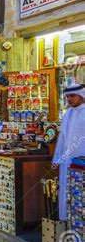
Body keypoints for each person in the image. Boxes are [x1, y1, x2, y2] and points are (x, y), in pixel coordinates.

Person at [52, 84, 85, 221]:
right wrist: (57, 159)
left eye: (72, 96)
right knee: (68, 191)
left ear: (81, 95)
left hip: (82, 162)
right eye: (67, 97)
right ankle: (68, 223)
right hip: (67, 161)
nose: (69, 99)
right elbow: (62, 139)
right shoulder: (68, 114)